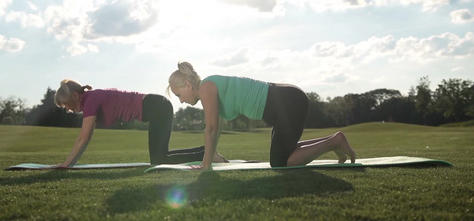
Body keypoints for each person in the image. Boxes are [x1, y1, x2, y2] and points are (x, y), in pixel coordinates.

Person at [167, 62, 356, 170]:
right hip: (285, 101)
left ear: (188, 85)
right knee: (285, 153)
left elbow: (211, 128)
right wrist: (211, 157)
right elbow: (217, 130)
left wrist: (205, 165)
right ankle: (333, 140)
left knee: (280, 163)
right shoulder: (209, 88)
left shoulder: (206, 87)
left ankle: (335, 142)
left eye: (178, 95)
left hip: (288, 102)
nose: (181, 101)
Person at [53, 79, 227, 167]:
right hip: (158, 106)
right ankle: (206, 151)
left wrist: (66, 164)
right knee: (161, 156)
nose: (67, 109)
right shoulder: (90, 99)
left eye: (66, 104)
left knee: (159, 160)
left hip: (157, 107)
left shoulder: (90, 100)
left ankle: (208, 154)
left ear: (75, 96)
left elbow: (84, 137)